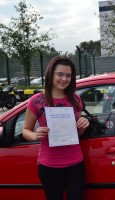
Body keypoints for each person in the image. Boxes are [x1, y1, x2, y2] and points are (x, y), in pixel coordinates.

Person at [22, 56, 89, 200]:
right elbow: (25, 130)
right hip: (49, 165)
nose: (64, 79)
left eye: (68, 75)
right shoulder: (37, 101)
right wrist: (35, 135)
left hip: (75, 162)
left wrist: (83, 124)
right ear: (51, 74)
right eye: (60, 74)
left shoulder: (75, 99)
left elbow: (78, 133)